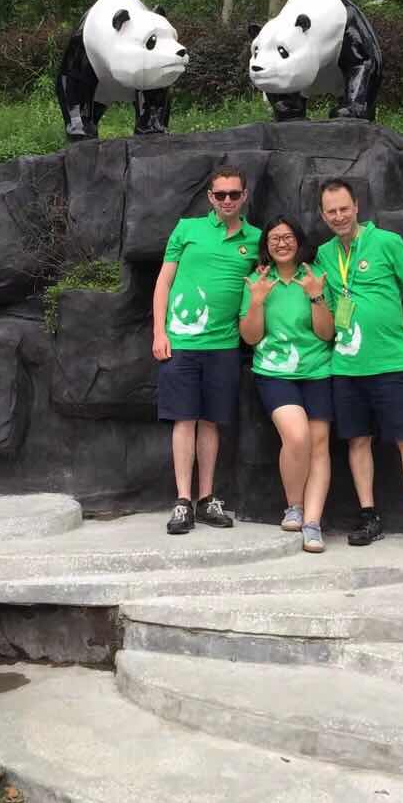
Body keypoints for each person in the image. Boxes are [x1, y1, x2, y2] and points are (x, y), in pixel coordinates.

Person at [315, 179, 403, 550]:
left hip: (389, 362)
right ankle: (369, 516)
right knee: (357, 440)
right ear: (323, 215)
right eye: (331, 211)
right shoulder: (324, 254)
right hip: (347, 366)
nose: (338, 216)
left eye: (343, 208)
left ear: (357, 207)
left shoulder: (386, 242)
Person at [152, 166, 261, 534]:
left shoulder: (256, 239)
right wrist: (158, 331)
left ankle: (206, 497)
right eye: (220, 195)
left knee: (211, 421)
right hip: (181, 341)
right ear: (210, 198)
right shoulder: (187, 229)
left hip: (224, 345)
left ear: (245, 196)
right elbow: (163, 281)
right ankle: (183, 500)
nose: (227, 200)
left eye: (234, 193)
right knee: (184, 419)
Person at [238, 216, 335, 553]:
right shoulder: (256, 280)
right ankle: (293, 505)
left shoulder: (315, 277)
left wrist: (317, 297)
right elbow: (250, 337)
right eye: (274, 237)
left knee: (320, 444)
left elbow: (327, 333)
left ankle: (312, 523)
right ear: (266, 244)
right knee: (297, 436)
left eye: (288, 237)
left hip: (318, 369)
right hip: (274, 371)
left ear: (299, 241)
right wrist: (257, 301)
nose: (281, 243)